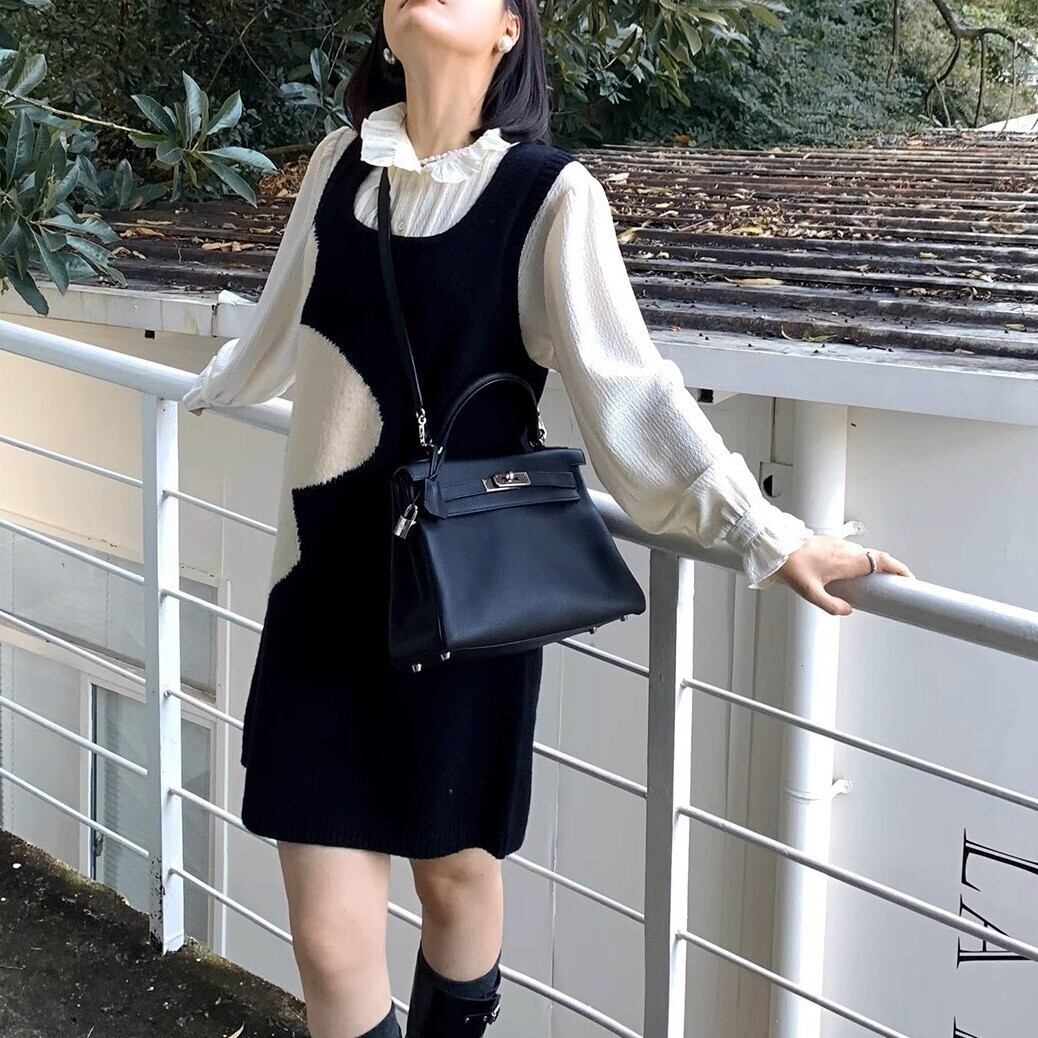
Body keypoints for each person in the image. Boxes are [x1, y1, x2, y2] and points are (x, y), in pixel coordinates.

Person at [182, 2, 915, 1036]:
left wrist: (769, 533)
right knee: (328, 941)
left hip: (458, 602)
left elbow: (631, 392)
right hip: (320, 589)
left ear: (509, 31)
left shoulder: (549, 196)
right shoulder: (341, 165)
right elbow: (280, 320)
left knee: (454, 879)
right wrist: (204, 386)